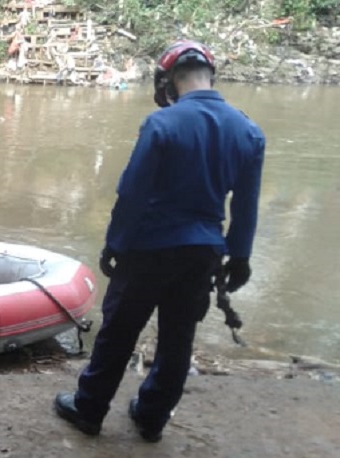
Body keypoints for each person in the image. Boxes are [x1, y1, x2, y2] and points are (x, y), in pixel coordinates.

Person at [54, 40, 265, 442]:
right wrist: (240, 257)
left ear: (167, 81)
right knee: (178, 338)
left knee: (119, 331)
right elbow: (246, 205)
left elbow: (132, 193)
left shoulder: (162, 124)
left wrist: (115, 244)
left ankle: (89, 408)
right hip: (202, 252)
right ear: (210, 76)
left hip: (148, 249)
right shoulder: (248, 131)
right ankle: (152, 418)